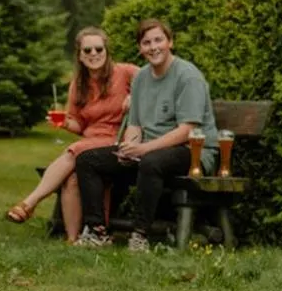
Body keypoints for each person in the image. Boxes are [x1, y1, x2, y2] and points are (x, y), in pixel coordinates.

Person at [73, 18, 218, 252]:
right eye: (146, 43)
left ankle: (140, 235)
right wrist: (129, 148)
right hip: (150, 152)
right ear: (140, 48)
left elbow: (188, 130)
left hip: (193, 152)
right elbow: (135, 125)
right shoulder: (141, 77)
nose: (153, 47)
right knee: (87, 159)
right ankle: (97, 231)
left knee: (151, 161)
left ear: (170, 42)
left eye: (158, 40)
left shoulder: (188, 76)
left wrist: (143, 149)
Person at [6, 27, 137, 242]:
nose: (94, 54)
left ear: (106, 51)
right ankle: (72, 239)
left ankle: (30, 203)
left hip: (118, 138)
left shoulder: (125, 72)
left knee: (72, 152)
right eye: (87, 50)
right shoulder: (79, 84)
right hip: (92, 140)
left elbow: (154, 82)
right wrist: (64, 122)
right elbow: (80, 124)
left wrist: (136, 96)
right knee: (71, 178)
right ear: (79, 55)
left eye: (98, 49)